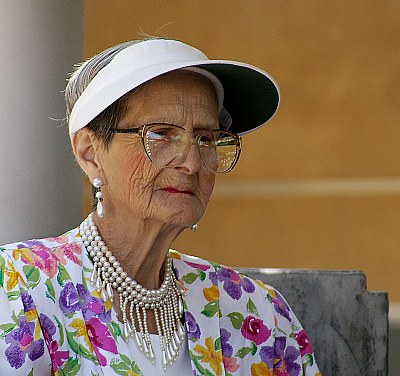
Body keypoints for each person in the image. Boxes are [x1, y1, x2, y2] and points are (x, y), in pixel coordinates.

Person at [0, 38, 320, 375]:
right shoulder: (20, 290)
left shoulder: (255, 312)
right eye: (161, 134)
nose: (192, 162)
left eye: (206, 138)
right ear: (90, 153)